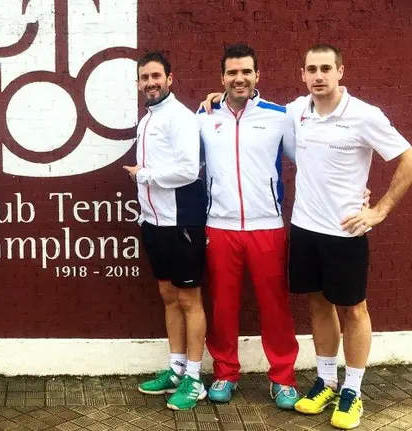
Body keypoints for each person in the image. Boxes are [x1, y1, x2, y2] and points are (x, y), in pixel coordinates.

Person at [286, 44, 412, 430]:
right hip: (304, 227)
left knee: (354, 309)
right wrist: (216, 98)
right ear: (302, 74)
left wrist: (380, 210)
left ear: (341, 71)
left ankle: (353, 390)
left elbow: (407, 157)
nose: (318, 76)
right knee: (318, 304)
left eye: (326, 68)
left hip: (346, 232)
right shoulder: (297, 110)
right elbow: (255, 107)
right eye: (311, 69)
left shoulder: (363, 115)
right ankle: (325, 382)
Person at [196, 44, 300, 409]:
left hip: (267, 226)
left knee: (275, 306)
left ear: (257, 75)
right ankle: (225, 373)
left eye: (246, 72)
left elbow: (310, 160)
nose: (239, 78)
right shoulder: (205, 116)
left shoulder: (279, 116)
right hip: (219, 226)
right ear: (222, 77)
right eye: (232, 73)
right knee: (223, 306)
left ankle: (283, 378)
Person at [124, 52, 208, 411]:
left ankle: (195, 379)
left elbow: (188, 170)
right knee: (168, 295)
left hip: (182, 223)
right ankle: (176, 369)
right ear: (138, 83)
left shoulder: (180, 117)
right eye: (144, 77)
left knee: (189, 300)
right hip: (154, 223)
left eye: (156, 76)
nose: (150, 83)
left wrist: (144, 175)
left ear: (169, 79)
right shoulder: (147, 120)